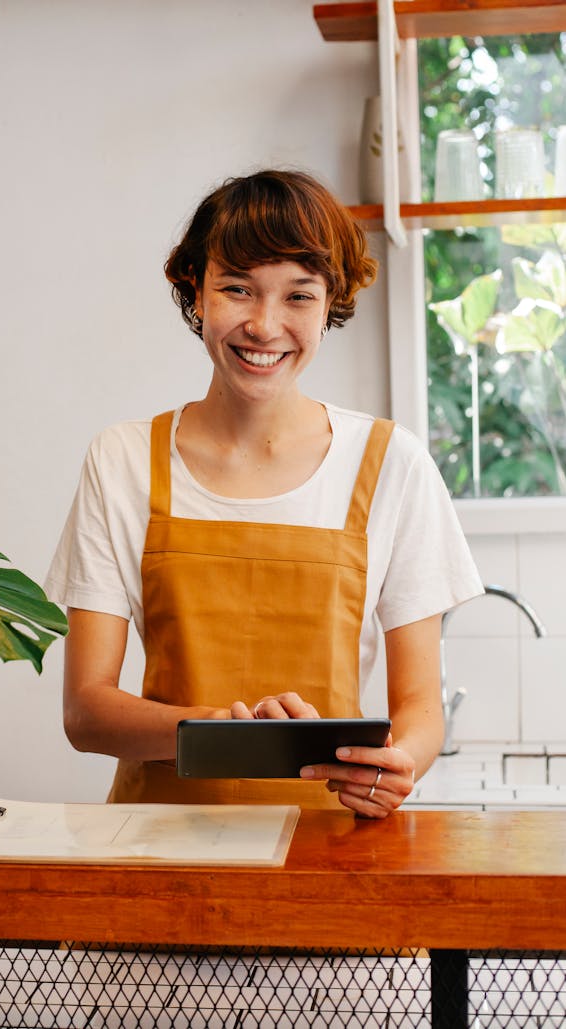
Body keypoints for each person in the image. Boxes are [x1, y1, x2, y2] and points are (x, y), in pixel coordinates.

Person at [45, 169, 483, 818]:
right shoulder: (124, 460)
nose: (264, 324)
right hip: (155, 853)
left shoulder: (392, 465)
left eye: (298, 296)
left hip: (326, 854)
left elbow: (419, 709)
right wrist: (225, 733)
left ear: (331, 301)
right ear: (196, 289)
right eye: (237, 289)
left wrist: (399, 762)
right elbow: (86, 711)